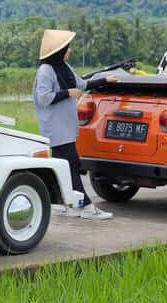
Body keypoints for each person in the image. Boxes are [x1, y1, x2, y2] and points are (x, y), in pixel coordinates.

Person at [32, 29, 117, 220]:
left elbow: (82, 84)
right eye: (67, 48)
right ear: (59, 50)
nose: (69, 51)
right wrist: (68, 93)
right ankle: (85, 206)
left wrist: (105, 80)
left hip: (65, 126)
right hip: (55, 126)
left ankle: (59, 203)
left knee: (61, 165)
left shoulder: (64, 67)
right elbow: (44, 97)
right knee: (72, 164)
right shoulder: (46, 70)